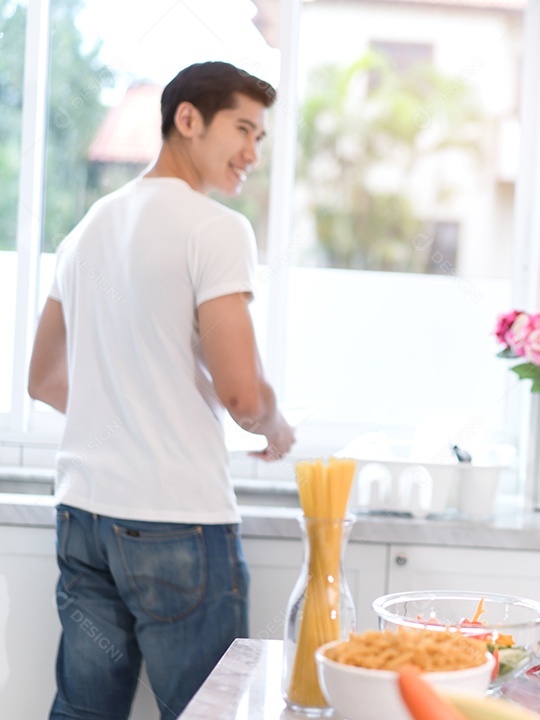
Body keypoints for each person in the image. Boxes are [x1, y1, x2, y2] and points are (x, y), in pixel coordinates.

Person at [27, 61, 295, 719]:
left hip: (84, 516)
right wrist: (276, 426)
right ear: (187, 119)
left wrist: (126, 408)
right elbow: (242, 396)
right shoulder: (214, 228)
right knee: (207, 712)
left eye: (259, 138)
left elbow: (44, 379)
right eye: (242, 129)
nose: (253, 153)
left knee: (84, 711)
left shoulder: (87, 229)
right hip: (178, 521)